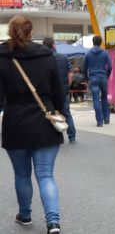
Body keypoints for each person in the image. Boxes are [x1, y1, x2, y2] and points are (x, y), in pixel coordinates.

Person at [0, 15, 64, 234]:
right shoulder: (47, 56)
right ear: (31, 32)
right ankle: (53, 222)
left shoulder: (2, 57)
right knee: (46, 175)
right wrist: (60, 113)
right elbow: (58, 92)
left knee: (22, 174)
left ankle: (25, 214)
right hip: (45, 120)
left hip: (15, 123)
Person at [43, 38, 77, 143]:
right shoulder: (63, 57)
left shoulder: (43, 59)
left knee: (52, 113)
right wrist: (68, 85)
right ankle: (72, 136)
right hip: (63, 89)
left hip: (49, 91)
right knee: (66, 112)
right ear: (53, 45)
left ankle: (57, 137)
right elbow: (71, 73)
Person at [83, 35, 112, 127]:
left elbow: (84, 68)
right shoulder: (105, 53)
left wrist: (86, 78)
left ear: (93, 42)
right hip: (103, 77)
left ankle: (99, 122)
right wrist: (107, 75)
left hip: (93, 78)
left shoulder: (88, 54)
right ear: (100, 42)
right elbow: (110, 66)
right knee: (104, 98)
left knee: (95, 99)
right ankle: (106, 118)